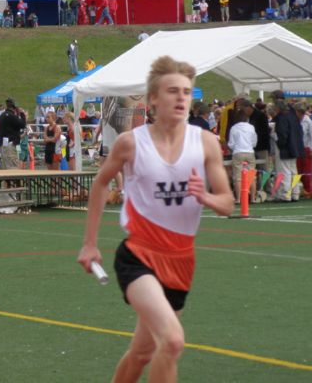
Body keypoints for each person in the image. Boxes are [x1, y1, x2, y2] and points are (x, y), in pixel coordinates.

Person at [77, 56, 232, 383]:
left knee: (142, 354)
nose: (181, 98)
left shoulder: (205, 143)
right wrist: (89, 244)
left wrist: (206, 197)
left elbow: (228, 204)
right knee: (172, 341)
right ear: (152, 99)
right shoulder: (131, 143)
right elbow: (101, 181)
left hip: (180, 261)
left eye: (187, 92)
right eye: (173, 91)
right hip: (139, 256)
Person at [271, 90, 304, 201]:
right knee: (293, 170)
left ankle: (285, 194)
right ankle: (295, 193)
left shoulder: (281, 117)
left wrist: (279, 142)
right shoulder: (293, 113)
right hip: (295, 146)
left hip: (285, 147)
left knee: (284, 171)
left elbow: (282, 134)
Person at [227, 107, 257, 202]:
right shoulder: (251, 127)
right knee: (251, 176)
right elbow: (254, 142)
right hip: (250, 152)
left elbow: (231, 143)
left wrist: (234, 148)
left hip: (238, 152)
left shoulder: (234, 128)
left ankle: (239, 198)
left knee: (238, 177)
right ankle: (253, 198)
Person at [0, 98, 26, 170]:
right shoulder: (11, 116)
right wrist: (22, 114)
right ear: (14, 108)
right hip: (11, 145)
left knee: (6, 169)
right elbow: (22, 124)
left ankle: (7, 181)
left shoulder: (2, 116)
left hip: (3, 144)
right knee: (13, 168)